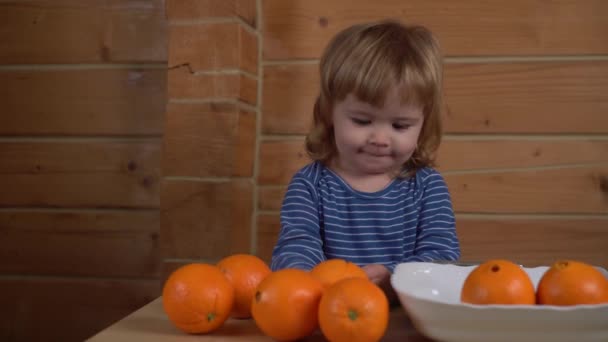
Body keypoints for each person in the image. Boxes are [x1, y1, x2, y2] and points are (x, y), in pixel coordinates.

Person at [270, 19, 460, 297]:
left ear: (423, 124)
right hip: (331, 314)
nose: (381, 139)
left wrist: (395, 277)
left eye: (400, 126)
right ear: (328, 114)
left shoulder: (427, 186)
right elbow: (295, 248)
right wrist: (314, 283)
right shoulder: (309, 186)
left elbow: (443, 257)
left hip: (405, 322)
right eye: (362, 120)